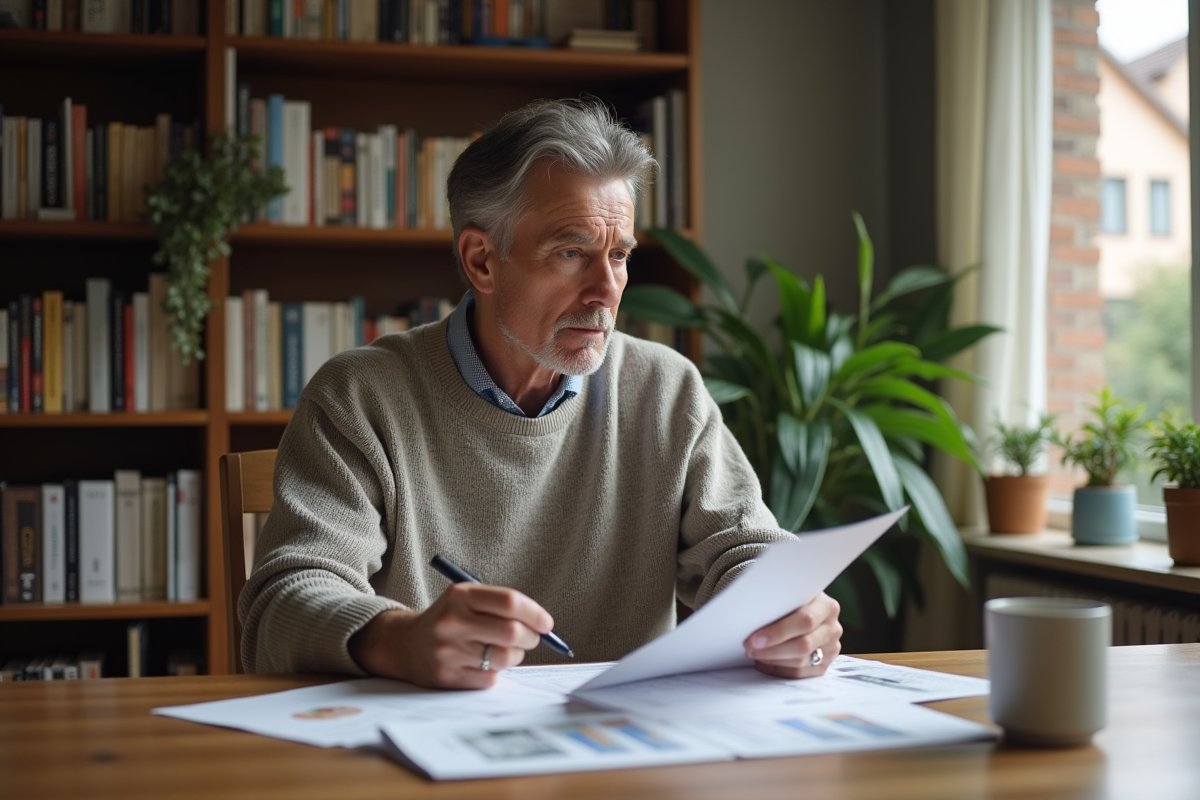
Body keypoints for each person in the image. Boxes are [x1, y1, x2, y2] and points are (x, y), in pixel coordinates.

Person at [239, 98, 843, 689]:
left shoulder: (666, 390)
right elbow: (283, 602)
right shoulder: (362, 397)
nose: (606, 290)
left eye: (620, 255)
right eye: (572, 252)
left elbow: (740, 549)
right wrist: (399, 638)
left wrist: (784, 609)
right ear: (481, 261)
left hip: (625, 760)